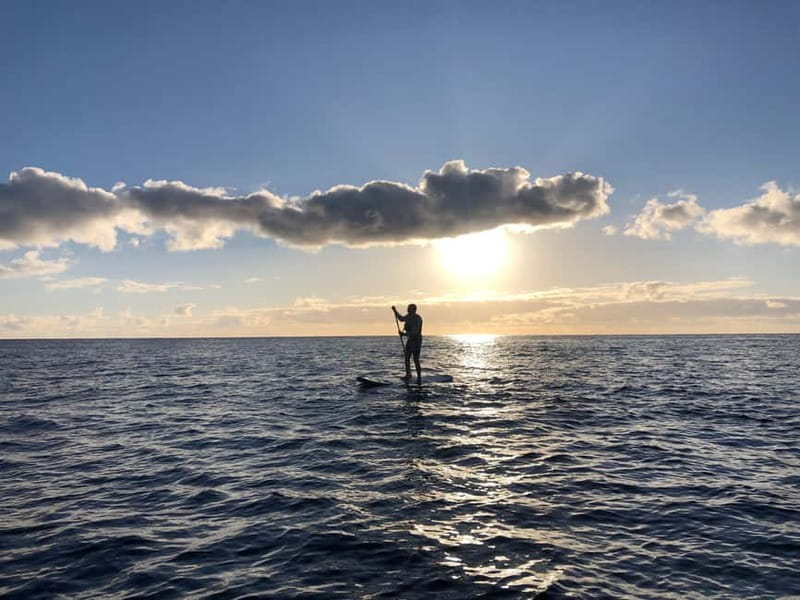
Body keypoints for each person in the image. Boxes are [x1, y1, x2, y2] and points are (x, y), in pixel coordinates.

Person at [392, 304, 423, 384]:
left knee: (416, 359)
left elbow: (415, 332)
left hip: (416, 341)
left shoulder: (417, 318)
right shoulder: (408, 316)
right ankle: (408, 375)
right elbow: (401, 319)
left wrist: (404, 334)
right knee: (407, 358)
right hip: (410, 340)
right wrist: (395, 311)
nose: (408, 310)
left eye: (409, 309)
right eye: (408, 308)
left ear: (414, 309)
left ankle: (419, 377)